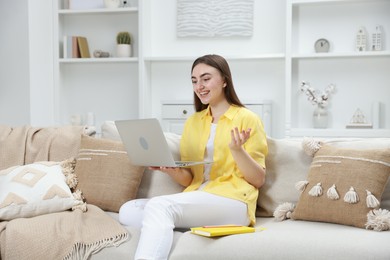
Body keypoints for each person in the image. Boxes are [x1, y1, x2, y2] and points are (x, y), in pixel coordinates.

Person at [119, 54, 268, 260]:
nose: (200, 86)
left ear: (225, 80)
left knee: (159, 206)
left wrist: (237, 150)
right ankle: (169, 223)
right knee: (127, 210)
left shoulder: (247, 118)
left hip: (233, 200)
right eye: (194, 80)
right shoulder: (194, 122)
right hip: (199, 195)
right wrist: (171, 170)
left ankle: (164, 224)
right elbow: (191, 179)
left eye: (206, 79)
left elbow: (258, 179)